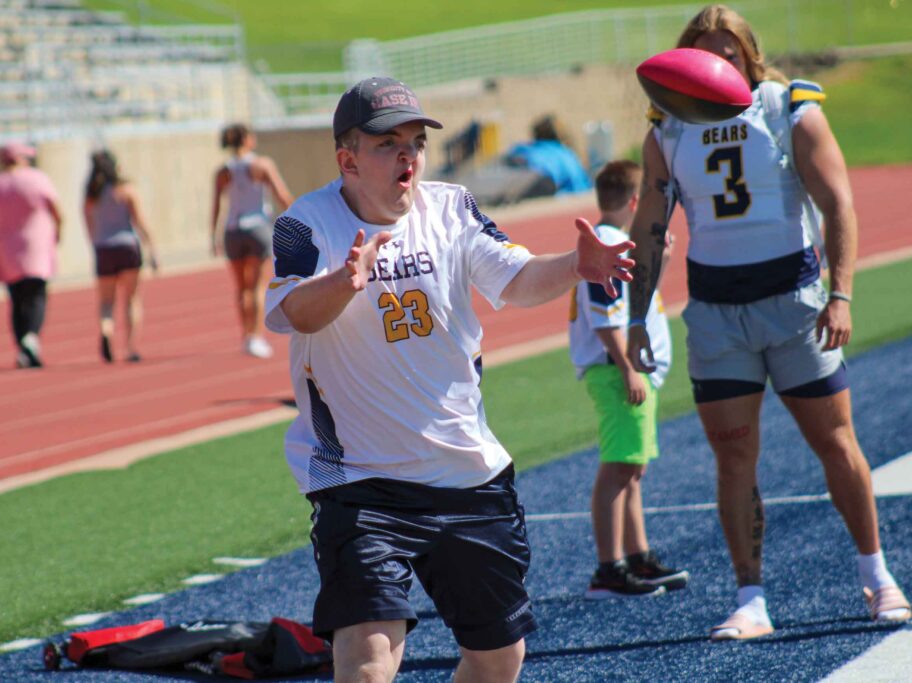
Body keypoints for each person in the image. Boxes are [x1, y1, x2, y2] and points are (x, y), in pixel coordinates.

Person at [264, 77, 634, 682]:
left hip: (465, 472)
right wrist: (343, 282)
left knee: (497, 659)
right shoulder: (305, 225)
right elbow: (288, 313)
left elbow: (514, 280)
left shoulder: (453, 207)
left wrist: (575, 266)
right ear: (347, 159)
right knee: (367, 659)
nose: (408, 156)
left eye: (416, 141)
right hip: (361, 480)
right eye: (388, 145)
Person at [625, 4, 911, 640]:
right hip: (717, 315)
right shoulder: (667, 126)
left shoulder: (788, 107)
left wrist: (842, 294)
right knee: (733, 461)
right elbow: (649, 225)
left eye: (729, 51)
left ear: (748, 55)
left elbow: (838, 202)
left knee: (836, 443)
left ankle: (877, 574)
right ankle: (751, 598)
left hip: (794, 305)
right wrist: (637, 316)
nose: (719, 62)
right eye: (705, 51)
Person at [569, 160, 687, 598]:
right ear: (637, 202)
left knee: (632, 468)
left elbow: (629, 304)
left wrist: (662, 263)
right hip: (617, 371)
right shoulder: (608, 243)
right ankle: (609, 567)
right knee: (619, 468)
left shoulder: (614, 243)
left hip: (625, 369)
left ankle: (637, 556)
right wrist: (627, 367)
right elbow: (605, 318)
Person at [0, 141, 62, 369]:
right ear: (20, 158)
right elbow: (57, 210)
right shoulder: (37, 179)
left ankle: (23, 344)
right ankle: (31, 338)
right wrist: (58, 233)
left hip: (5, 249)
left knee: (17, 298)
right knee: (37, 294)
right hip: (36, 246)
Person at [211, 123, 293, 359]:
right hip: (258, 228)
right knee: (257, 286)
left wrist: (213, 235)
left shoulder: (223, 171)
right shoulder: (261, 164)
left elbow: (217, 205)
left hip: (233, 230)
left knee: (241, 287)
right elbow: (282, 196)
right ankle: (256, 336)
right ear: (246, 139)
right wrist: (302, 220)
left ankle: (246, 336)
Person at [83, 150, 158, 363]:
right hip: (127, 246)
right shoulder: (125, 190)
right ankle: (131, 347)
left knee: (106, 301)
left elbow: (89, 225)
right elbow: (139, 221)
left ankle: (106, 331)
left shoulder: (91, 195)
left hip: (103, 248)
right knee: (132, 298)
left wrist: (96, 246)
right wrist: (152, 248)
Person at [505, 114, 592, 195]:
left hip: (510, 176)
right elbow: (580, 187)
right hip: (539, 180)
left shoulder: (523, 148)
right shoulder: (565, 155)